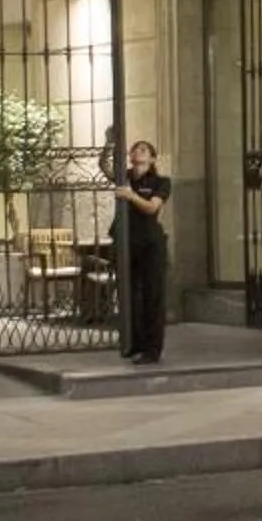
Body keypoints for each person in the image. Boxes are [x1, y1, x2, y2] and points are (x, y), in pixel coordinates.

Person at [110, 139, 171, 363]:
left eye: (144, 149)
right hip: (127, 243)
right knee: (130, 295)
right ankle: (133, 343)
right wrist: (110, 144)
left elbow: (152, 207)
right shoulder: (124, 177)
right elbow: (105, 168)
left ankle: (152, 349)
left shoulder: (160, 182)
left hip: (150, 244)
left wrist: (131, 196)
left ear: (152, 158)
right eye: (135, 149)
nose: (138, 151)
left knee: (151, 296)